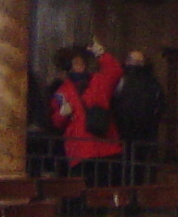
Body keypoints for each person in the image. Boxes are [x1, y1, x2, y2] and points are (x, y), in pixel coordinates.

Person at [50, 42, 123, 186]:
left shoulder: (97, 81)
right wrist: (62, 114)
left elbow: (115, 71)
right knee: (83, 197)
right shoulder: (62, 92)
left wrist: (101, 55)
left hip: (105, 147)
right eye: (75, 63)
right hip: (81, 150)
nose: (80, 65)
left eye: (81, 62)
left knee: (103, 196)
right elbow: (56, 122)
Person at [110, 50, 164, 186]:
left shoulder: (122, 81)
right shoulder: (152, 83)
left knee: (126, 170)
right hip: (141, 133)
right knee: (137, 171)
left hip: (126, 133)